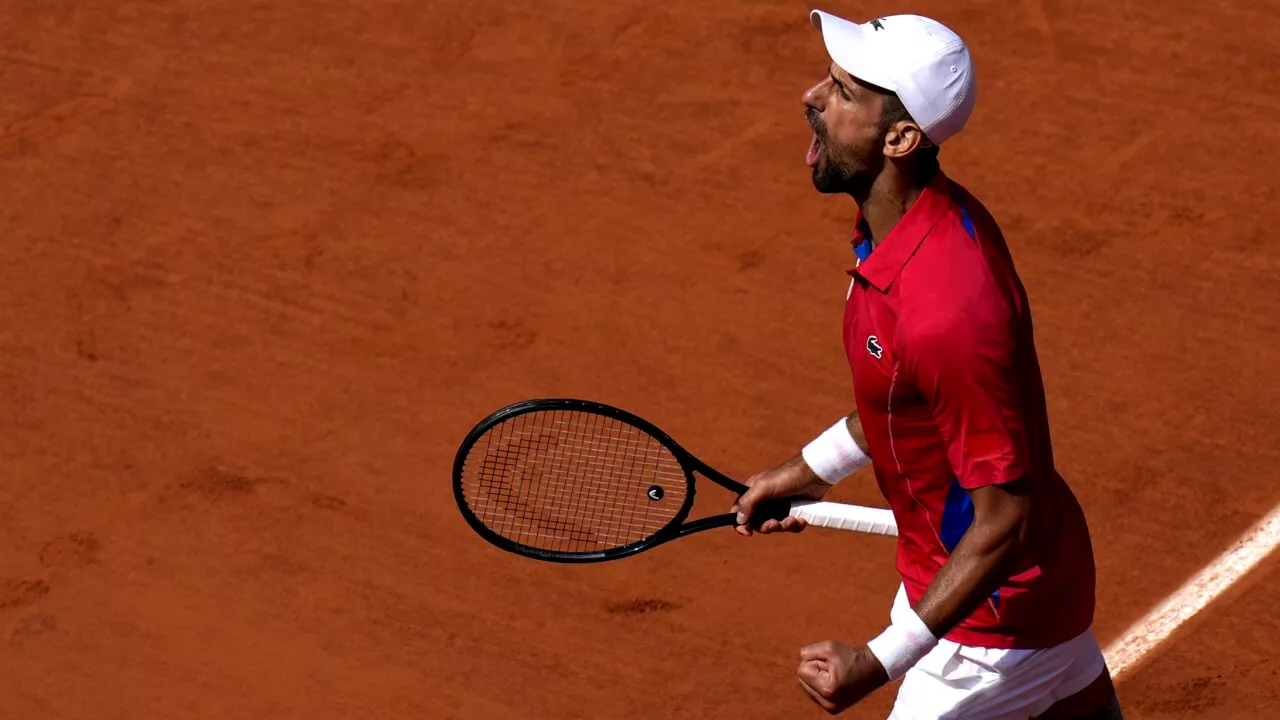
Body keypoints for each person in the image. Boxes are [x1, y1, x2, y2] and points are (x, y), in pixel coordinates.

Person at [731, 10, 1124, 719]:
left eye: (845, 93)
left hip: (993, 625)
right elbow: (903, 401)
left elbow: (1006, 521)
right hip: (1000, 583)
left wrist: (879, 660)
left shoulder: (948, 307)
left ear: (901, 137)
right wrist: (803, 472)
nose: (811, 97)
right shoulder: (903, 234)